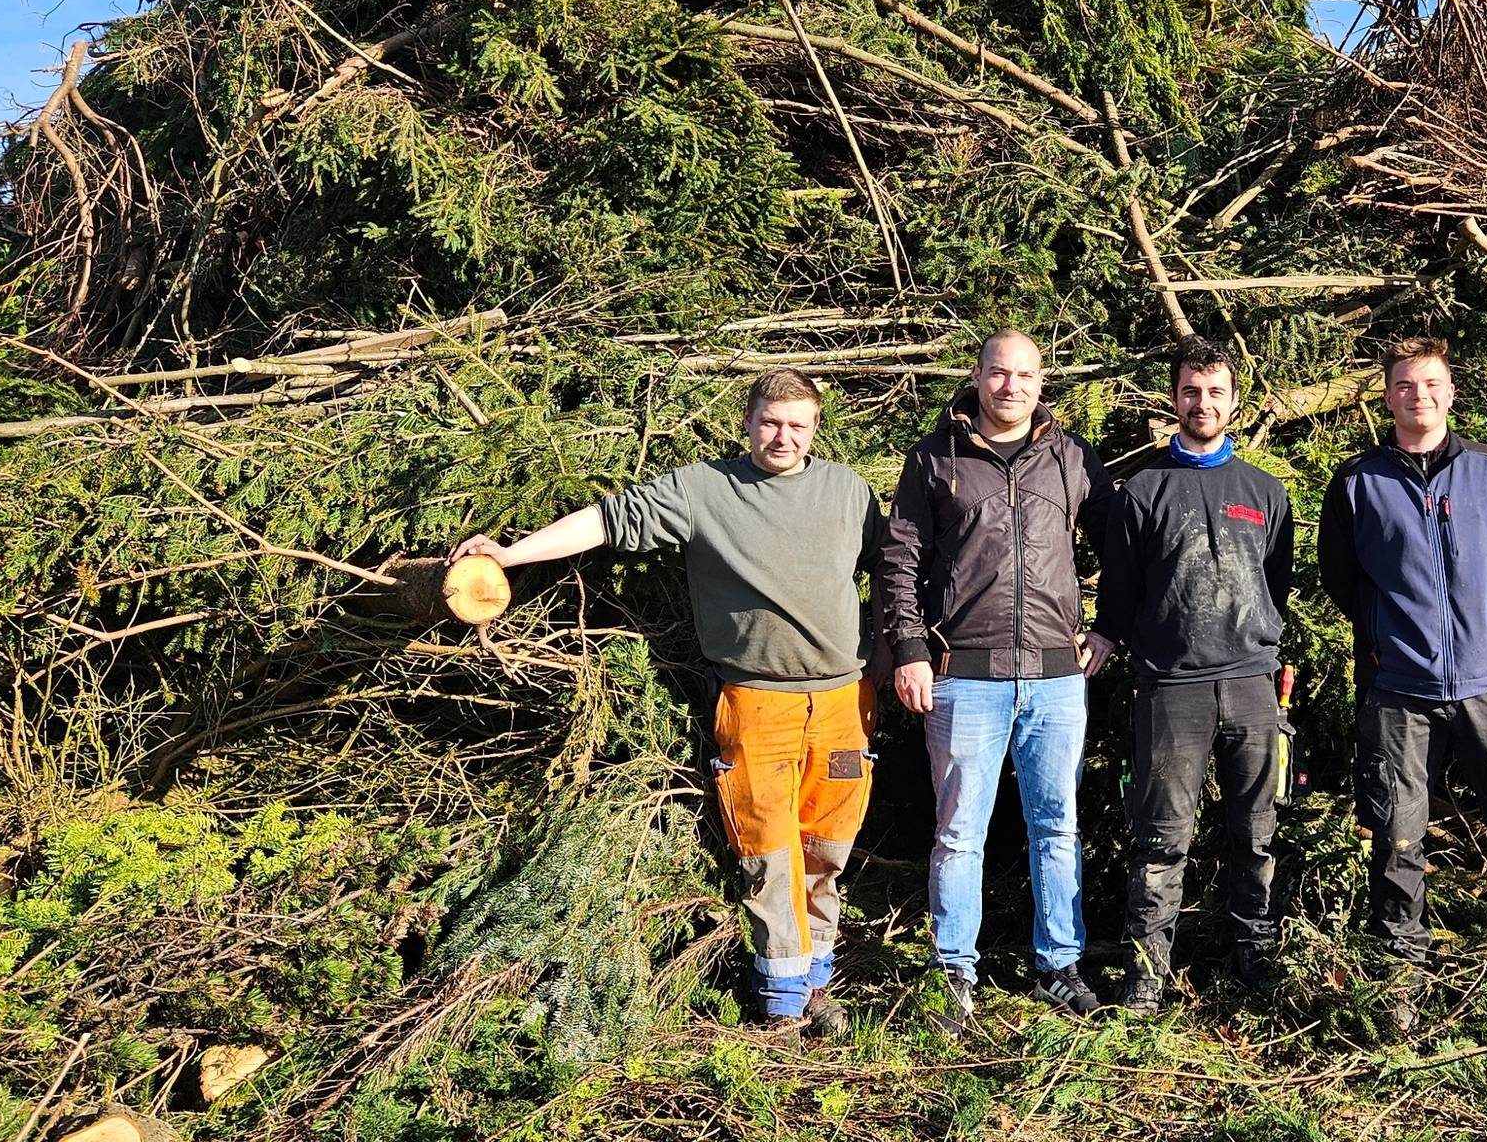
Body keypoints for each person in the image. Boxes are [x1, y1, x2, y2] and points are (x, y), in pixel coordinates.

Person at [449, 368, 882, 1041]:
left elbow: (898, 571)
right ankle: (781, 1004)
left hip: (844, 704)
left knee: (827, 848)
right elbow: (607, 521)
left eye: (798, 426)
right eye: (770, 422)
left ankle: (815, 981)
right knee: (768, 852)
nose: (783, 437)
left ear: (815, 429)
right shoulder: (704, 489)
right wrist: (510, 555)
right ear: (747, 422)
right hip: (757, 702)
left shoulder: (848, 491)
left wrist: (895, 654)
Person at [1315, 336, 1487, 1032]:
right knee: (1397, 840)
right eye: (1405, 385)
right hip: (1397, 690)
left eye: (1431, 384)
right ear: (1387, 396)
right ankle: (1400, 996)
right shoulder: (1357, 482)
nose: (1419, 396)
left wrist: (1486, 627)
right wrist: (1394, 636)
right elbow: (1341, 580)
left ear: (1450, 392)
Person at [877, 329, 1117, 1029]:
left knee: (1058, 827)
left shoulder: (1072, 457)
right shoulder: (934, 458)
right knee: (958, 833)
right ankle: (954, 972)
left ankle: (1060, 968)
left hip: (1055, 679)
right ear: (977, 376)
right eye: (998, 373)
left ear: (1042, 382)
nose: (1011, 386)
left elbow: (1122, 548)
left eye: (1024, 375)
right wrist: (910, 649)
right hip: (964, 676)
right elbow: (898, 561)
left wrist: (1107, 628)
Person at [1094, 336, 1294, 1012]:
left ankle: (1255, 961)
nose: (1201, 403)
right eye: (1190, 391)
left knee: (1256, 834)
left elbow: (1276, 585)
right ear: (1173, 398)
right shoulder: (1143, 491)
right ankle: (1145, 976)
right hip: (1170, 689)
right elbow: (1120, 594)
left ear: (1234, 401)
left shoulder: (1265, 492)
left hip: (1252, 686)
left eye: (1214, 392)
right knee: (1160, 839)